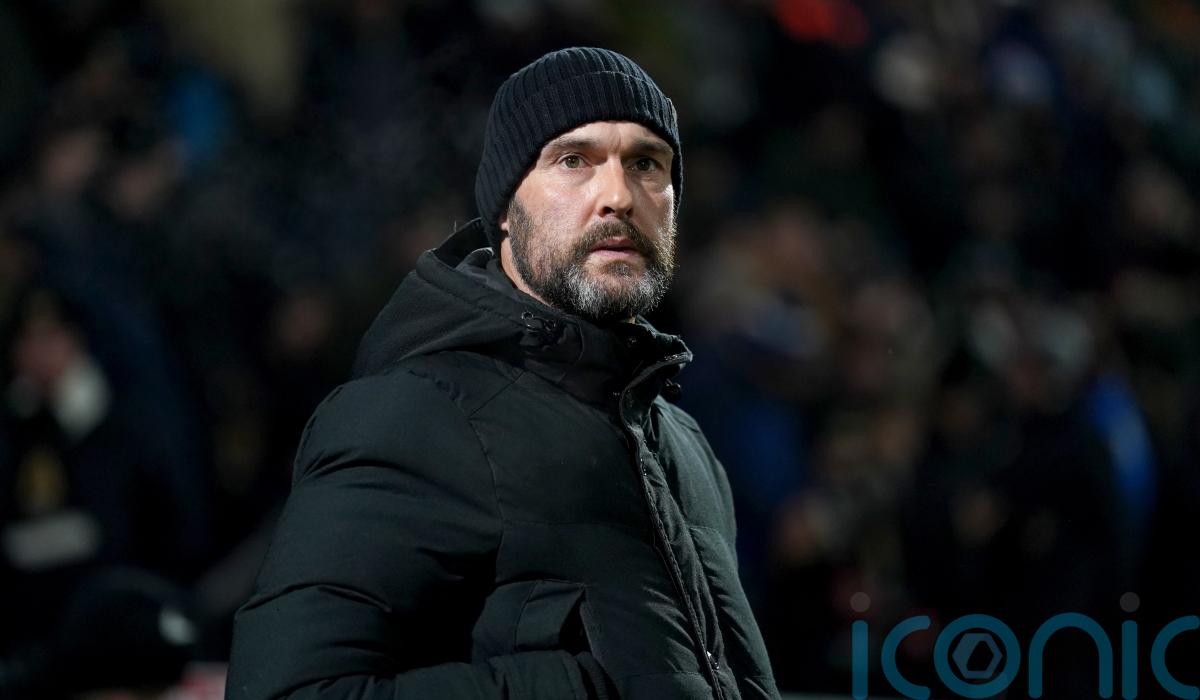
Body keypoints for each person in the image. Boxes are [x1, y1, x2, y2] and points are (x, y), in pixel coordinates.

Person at [226, 47, 779, 700]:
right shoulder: (412, 419)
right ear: (507, 212)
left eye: (646, 163)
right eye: (573, 160)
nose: (618, 196)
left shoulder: (686, 445)